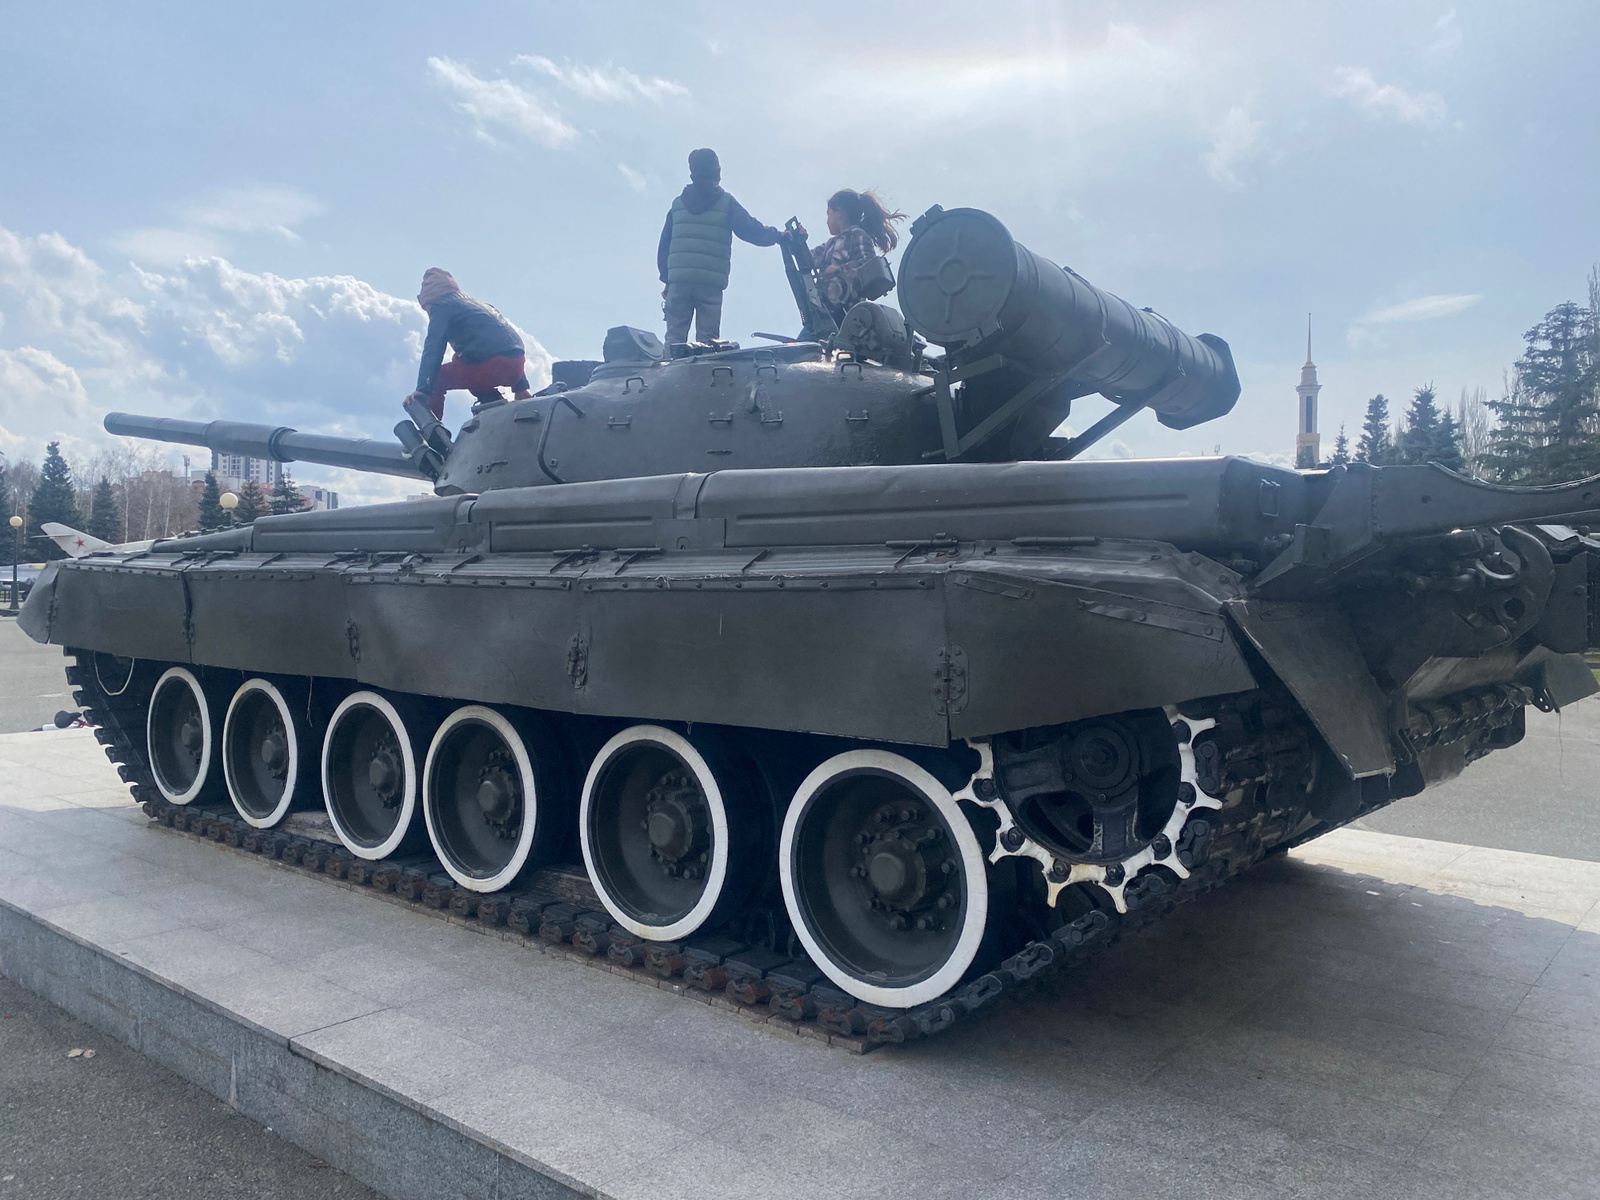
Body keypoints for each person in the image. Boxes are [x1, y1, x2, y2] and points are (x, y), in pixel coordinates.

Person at [657, 148, 782, 346]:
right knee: (708, 343)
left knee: (674, 340)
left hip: (679, 282)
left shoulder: (677, 205)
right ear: (717, 171)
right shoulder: (726, 203)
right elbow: (750, 230)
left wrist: (667, 279)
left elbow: (664, 246)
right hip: (710, 284)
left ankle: (670, 366)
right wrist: (778, 235)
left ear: (692, 171)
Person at [404, 268, 532, 420]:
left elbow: (433, 349)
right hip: (516, 364)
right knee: (460, 362)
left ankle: (431, 426)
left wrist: (423, 390)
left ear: (428, 301)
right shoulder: (479, 305)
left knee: (437, 378)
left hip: (490, 366)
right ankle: (494, 404)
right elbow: (506, 345)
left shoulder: (441, 308)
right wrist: (521, 387)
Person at [804, 189, 907, 314]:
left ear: (839, 212)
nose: (827, 220)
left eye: (828, 214)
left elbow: (868, 265)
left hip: (849, 312)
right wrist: (797, 240)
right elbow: (808, 259)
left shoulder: (857, 235)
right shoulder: (830, 244)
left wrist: (840, 269)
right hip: (825, 309)